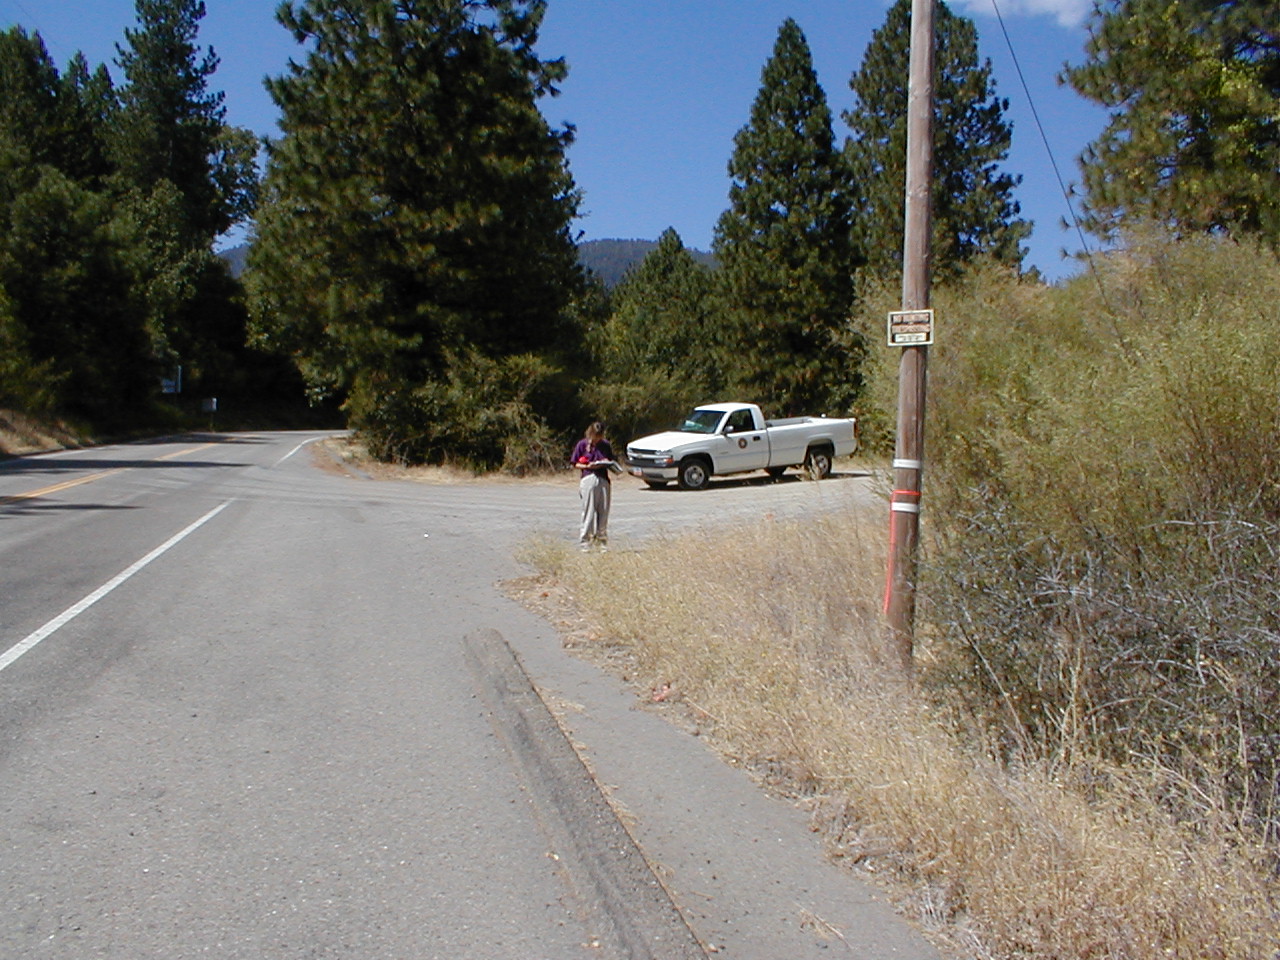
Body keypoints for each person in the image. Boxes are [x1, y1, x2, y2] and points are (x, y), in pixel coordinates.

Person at [571, 422, 614, 549]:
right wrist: (587, 466)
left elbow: (611, 461)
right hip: (589, 478)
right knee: (588, 512)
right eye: (595, 436)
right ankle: (586, 542)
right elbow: (575, 463)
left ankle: (601, 542)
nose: (597, 439)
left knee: (603, 512)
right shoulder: (582, 444)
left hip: (603, 479)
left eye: (599, 436)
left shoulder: (605, 445)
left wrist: (606, 463)